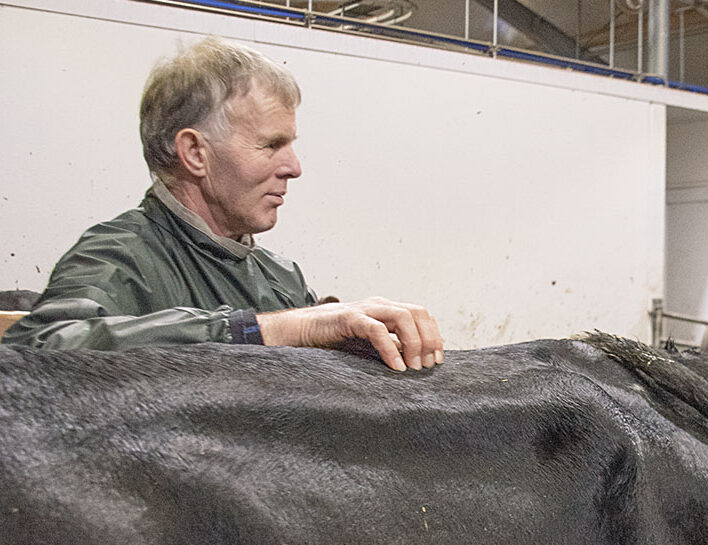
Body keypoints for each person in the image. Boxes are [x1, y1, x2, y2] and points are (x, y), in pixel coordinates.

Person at [2, 38, 442, 372]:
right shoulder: (122, 254)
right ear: (195, 153)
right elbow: (34, 348)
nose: (294, 167)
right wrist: (259, 330)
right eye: (271, 145)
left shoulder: (279, 278)